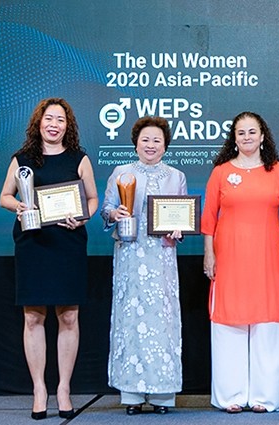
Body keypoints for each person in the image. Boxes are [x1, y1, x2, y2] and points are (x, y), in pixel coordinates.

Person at [0, 98, 98, 420]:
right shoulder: (22, 159)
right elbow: (5, 197)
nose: (54, 124)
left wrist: (83, 217)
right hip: (34, 243)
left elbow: (93, 199)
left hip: (68, 243)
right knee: (33, 317)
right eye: (49, 119)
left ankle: (64, 389)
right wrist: (20, 207)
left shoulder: (79, 159)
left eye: (61, 120)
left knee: (69, 317)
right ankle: (39, 389)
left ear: (68, 126)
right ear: (38, 123)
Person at [201, 111, 279, 413]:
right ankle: (230, 395)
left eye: (252, 132)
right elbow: (208, 217)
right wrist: (209, 253)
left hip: (267, 259)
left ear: (262, 136)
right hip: (229, 258)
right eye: (240, 132)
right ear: (234, 138)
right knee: (228, 322)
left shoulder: (278, 171)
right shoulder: (220, 171)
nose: (246, 137)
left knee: (266, 323)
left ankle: (265, 396)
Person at [101, 116, 186, 415]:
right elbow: (106, 209)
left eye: (157, 141)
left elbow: (181, 216)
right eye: (145, 140)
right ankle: (132, 394)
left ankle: (163, 394)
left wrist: (179, 229)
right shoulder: (121, 172)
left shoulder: (176, 176)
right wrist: (114, 214)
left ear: (165, 146)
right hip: (130, 255)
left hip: (162, 258)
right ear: (136, 142)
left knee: (162, 319)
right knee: (131, 320)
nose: (150, 145)